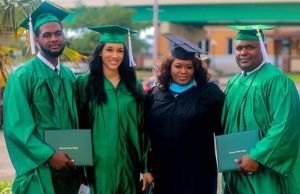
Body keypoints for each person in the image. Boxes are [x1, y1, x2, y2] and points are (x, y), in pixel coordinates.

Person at [3, 1, 80, 194]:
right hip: (39, 172)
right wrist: (49, 155)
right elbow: (16, 127)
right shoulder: (22, 77)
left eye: (58, 33)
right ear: (36, 39)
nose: (54, 39)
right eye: (47, 35)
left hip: (70, 170)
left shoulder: (70, 76)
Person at [222, 25, 300, 194]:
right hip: (235, 168)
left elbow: (285, 126)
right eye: (239, 48)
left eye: (250, 47)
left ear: (263, 49)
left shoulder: (277, 81)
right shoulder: (233, 82)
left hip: (264, 170)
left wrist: (256, 156)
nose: (243, 52)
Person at [76, 25, 153, 194]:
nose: (115, 55)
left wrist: (146, 167)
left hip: (129, 166)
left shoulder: (134, 86)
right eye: (109, 50)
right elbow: (78, 125)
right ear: (100, 52)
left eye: (120, 51)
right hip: (97, 167)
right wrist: (79, 168)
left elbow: (142, 128)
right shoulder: (84, 83)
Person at [144, 34, 225, 194]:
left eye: (189, 67)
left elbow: (225, 128)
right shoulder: (154, 95)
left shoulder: (209, 94)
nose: (184, 71)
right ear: (169, 68)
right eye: (178, 66)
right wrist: (146, 168)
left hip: (198, 173)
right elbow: (144, 134)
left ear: (195, 69)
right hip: (162, 172)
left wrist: (236, 157)